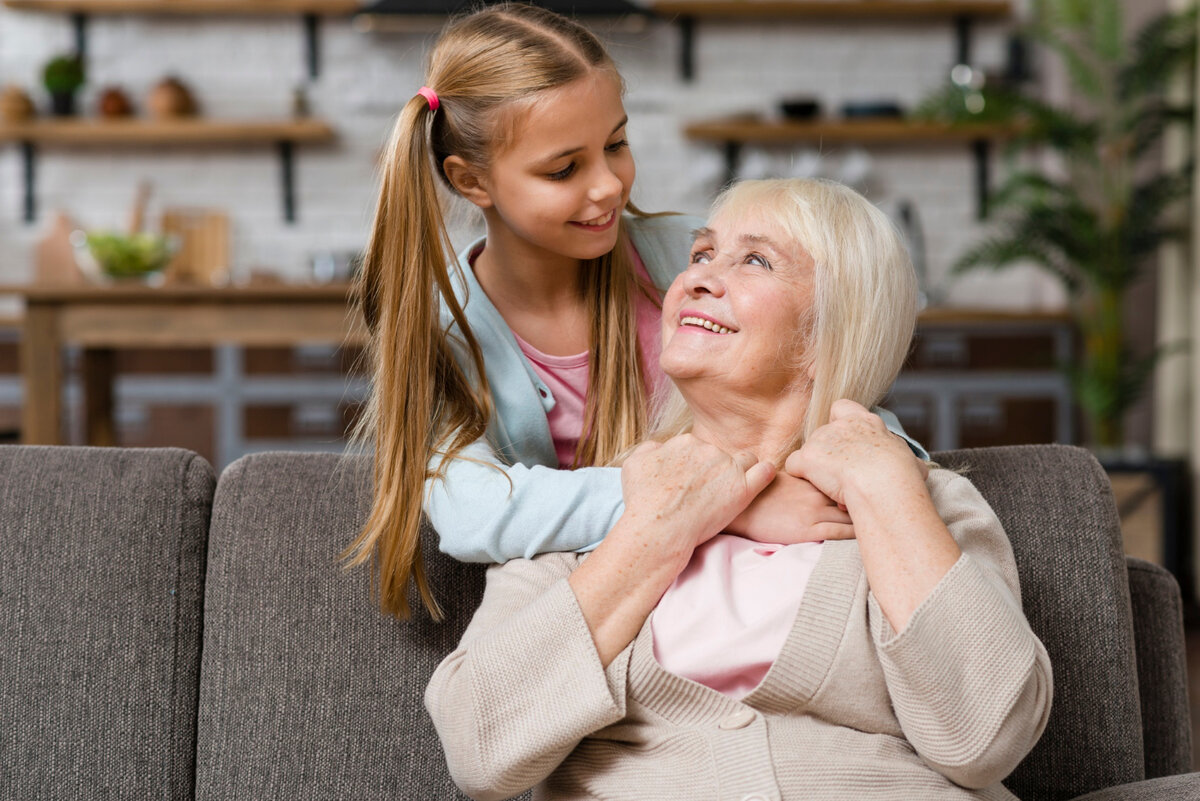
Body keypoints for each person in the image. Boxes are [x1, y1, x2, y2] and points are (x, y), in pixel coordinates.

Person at [425, 177, 1053, 800]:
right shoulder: (592, 515)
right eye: (701, 254)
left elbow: (986, 739)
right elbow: (480, 751)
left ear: (827, 329)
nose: (697, 277)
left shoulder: (922, 503)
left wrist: (886, 487)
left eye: (755, 260)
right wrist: (661, 527)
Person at [342, 3, 925, 619]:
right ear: (472, 182)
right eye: (564, 169)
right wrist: (721, 503)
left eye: (616, 144)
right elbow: (473, 512)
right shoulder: (438, 326)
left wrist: (884, 469)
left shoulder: (692, 262)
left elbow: (837, 388)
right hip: (601, 608)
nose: (609, 187)